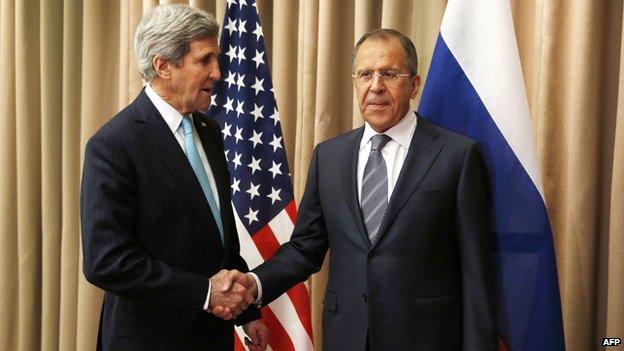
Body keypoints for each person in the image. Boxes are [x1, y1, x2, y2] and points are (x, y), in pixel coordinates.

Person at [216, 29, 497, 350]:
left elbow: (477, 273)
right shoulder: (329, 156)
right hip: (348, 336)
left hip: (427, 339)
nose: (376, 86)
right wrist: (253, 284)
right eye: (366, 74)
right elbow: (305, 248)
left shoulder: (457, 156)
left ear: (414, 85)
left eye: (389, 74)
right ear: (355, 82)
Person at [80, 5, 268, 351]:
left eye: (217, 59)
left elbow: (218, 241)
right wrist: (204, 293)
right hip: (146, 340)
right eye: (205, 60)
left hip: (210, 336)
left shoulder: (209, 131)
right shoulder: (114, 145)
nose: (218, 72)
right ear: (163, 65)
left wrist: (246, 313)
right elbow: (106, 261)